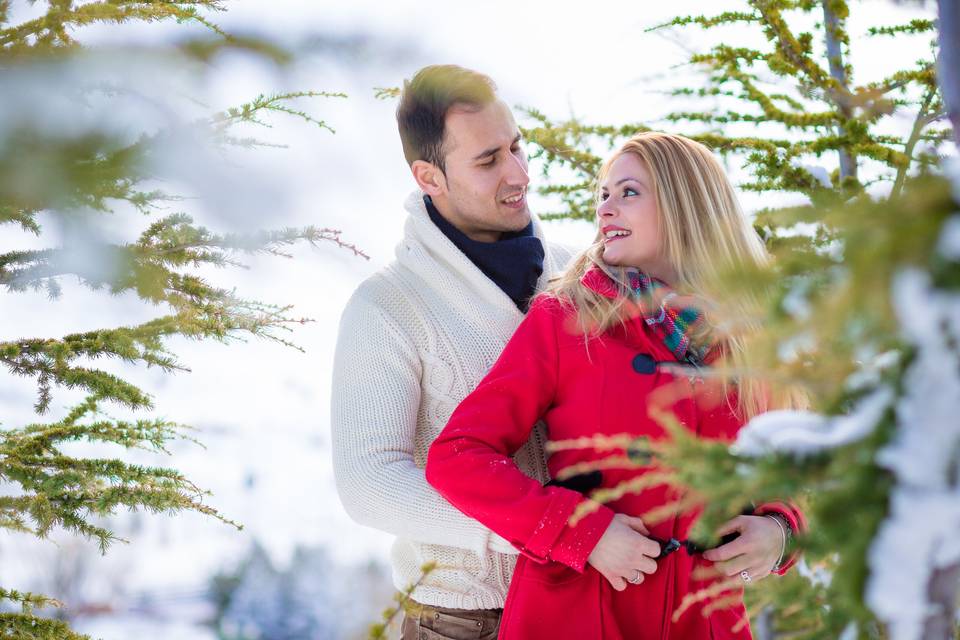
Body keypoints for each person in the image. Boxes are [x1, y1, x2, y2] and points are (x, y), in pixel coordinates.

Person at [425, 132, 807, 639]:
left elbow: (809, 471)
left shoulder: (752, 341)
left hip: (706, 619)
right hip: (578, 614)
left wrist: (782, 530)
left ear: (684, 204)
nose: (606, 208)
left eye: (628, 192)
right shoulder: (565, 320)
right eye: (603, 194)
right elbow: (457, 456)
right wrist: (582, 532)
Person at [330, 65, 574, 639]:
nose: (518, 173)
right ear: (429, 176)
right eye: (488, 161)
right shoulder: (387, 307)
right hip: (465, 623)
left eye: (517, 147)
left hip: (585, 612)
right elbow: (369, 482)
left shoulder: (578, 274)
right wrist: (537, 526)